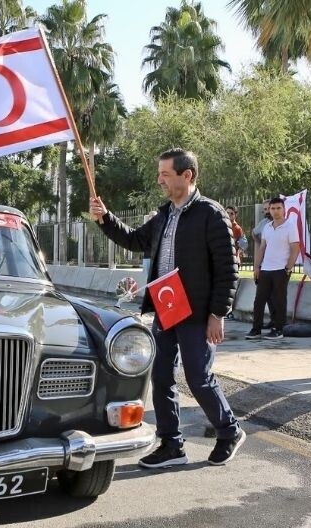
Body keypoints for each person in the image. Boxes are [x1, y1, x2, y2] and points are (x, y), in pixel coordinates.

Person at [90, 148, 244, 468]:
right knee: (161, 377)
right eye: (159, 173)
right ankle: (172, 444)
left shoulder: (211, 214)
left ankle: (228, 431)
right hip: (166, 307)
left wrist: (217, 314)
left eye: (165, 174)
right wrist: (105, 218)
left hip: (198, 312)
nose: (159, 180)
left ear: (187, 175)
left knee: (198, 378)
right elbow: (133, 240)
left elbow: (227, 270)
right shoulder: (163, 215)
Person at [247, 197, 300, 340]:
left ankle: (278, 329)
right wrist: (257, 267)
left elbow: (295, 248)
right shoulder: (267, 227)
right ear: (269, 210)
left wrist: (288, 268)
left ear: (284, 209)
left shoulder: (290, 226)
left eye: (278, 208)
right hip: (266, 269)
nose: (276, 211)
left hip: (281, 269)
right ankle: (256, 329)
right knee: (259, 300)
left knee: (279, 300)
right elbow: (262, 247)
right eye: (273, 208)